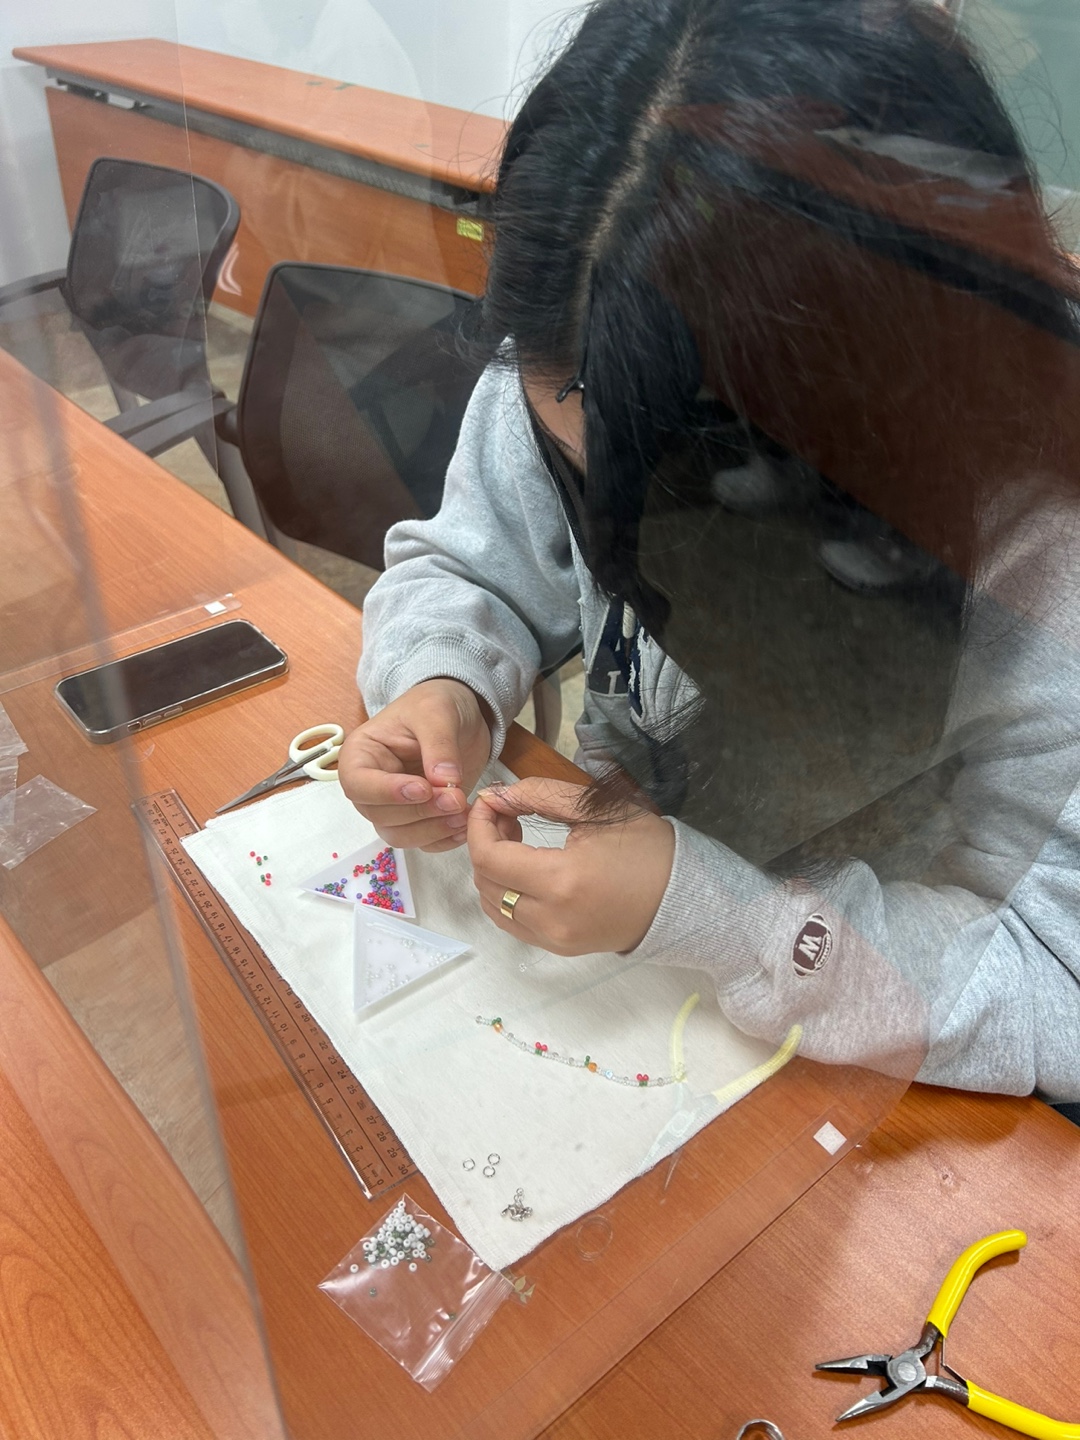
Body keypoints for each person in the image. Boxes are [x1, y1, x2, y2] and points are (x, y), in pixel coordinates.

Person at [338, 0, 1080, 1101]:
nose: (600, 526)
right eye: (572, 469)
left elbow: (1055, 986)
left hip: (898, 1072)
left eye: (659, 504)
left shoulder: (1046, 562)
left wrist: (723, 917)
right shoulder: (584, 344)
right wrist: (444, 683)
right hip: (658, 961)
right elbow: (468, 563)